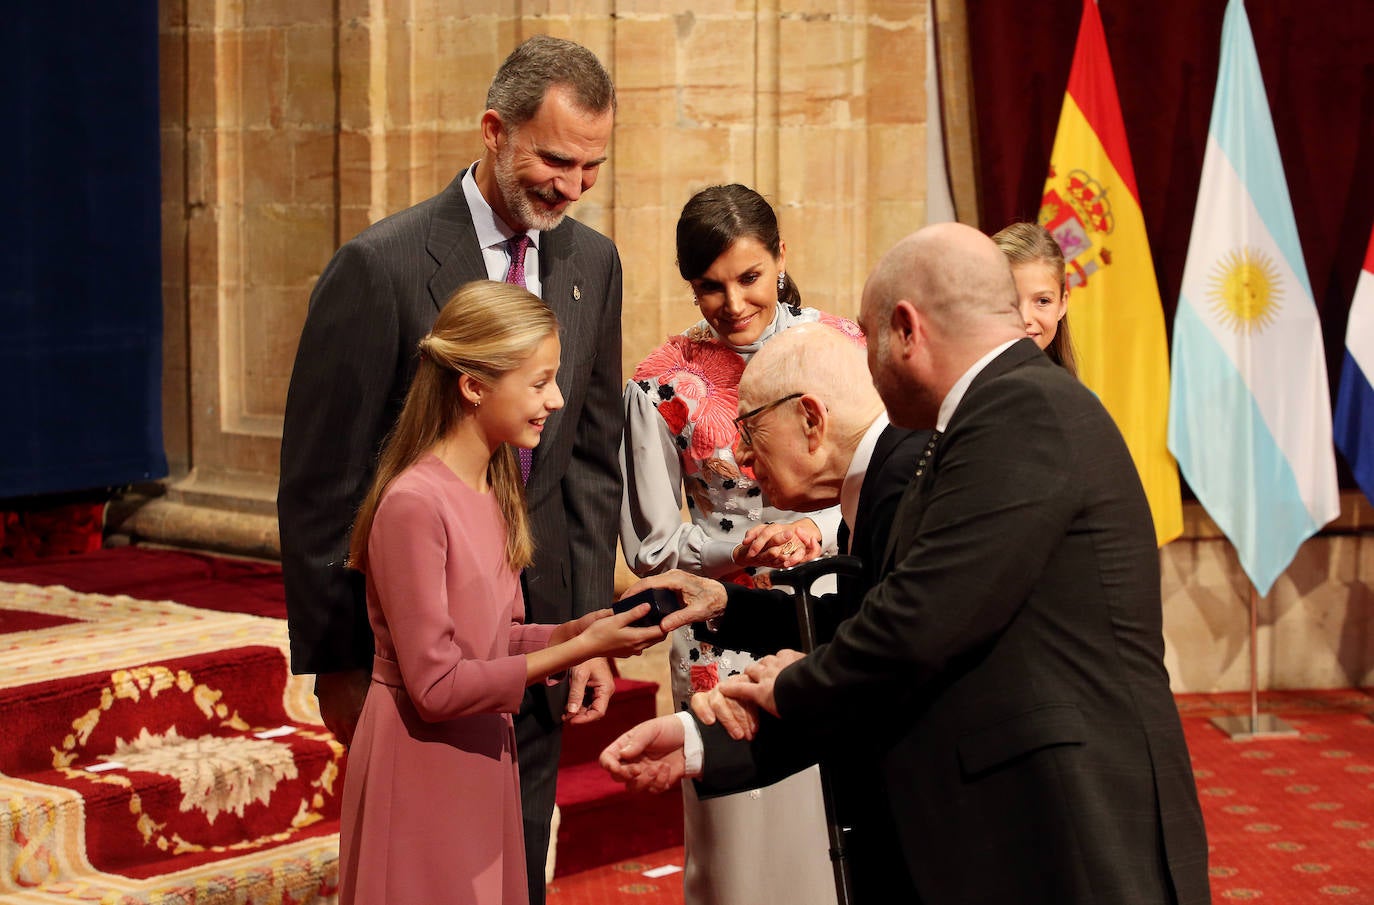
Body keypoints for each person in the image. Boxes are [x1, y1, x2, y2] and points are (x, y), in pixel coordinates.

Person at [605, 222, 1212, 904]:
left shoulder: (1021, 411)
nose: (866, 372)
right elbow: (892, 617)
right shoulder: (978, 421)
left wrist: (792, 684)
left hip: (1071, 830)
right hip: (1023, 825)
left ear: (905, 330)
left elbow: (920, 621)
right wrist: (707, 729)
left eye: (868, 343)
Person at [278, 36, 623, 903]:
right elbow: (323, 482)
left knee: (511, 877)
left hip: (531, 643)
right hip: (418, 663)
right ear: (493, 131)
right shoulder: (381, 267)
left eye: (593, 166)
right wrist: (338, 662)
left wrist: (583, 624)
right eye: (554, 158)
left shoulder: (593, 264)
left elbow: (588, 459)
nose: (572, 186)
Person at [338, 281, 663, 905]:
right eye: (539, 382)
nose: (558, 399)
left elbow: (498, 637)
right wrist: (575, 649)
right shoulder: (413, 504)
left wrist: (580, 632)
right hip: (421, 762)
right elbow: (435, 688)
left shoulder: (492, 483)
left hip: (483, 748)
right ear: (473, 385)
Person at [618, 184, 862, 905]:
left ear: (781, 256)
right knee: (738, 855)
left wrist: (809, 530)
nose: (732, 302)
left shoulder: (843, 347)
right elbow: (652, 547)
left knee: (834, 831)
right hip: (718, 631)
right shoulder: (662, 381)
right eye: (709, 286)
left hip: (835, 612)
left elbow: (878, 478)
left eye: (749, 277)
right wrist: (743, 550)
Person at [993, 221, 1078, 375]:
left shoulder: (1079, 398)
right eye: (1011, 300)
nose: (1025, 318)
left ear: (1062, 305)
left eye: (1043, 301)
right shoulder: (959, 395)